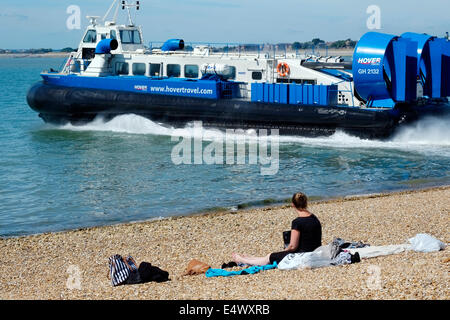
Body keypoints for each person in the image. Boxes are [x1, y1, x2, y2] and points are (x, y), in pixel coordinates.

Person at [232, 192, 322, 266]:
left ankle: (243, 260)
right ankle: (250, 258)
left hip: (301, 255)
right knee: (271, 255)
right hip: (314, 252)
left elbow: (292, 246)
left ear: (293, 205)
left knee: (270, 257)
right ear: (306, 203)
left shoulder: (297, 222)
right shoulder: (314, 218)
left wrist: (285, 250)